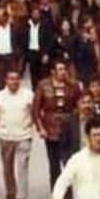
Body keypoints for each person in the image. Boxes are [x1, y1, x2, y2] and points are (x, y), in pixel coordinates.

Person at [34, 60, 82, 192]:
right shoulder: (43, 85)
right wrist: (41, 128)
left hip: (68, 127)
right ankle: (57, 192)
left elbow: (80, 104)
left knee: (68, 162)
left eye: (64, 69)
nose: (63, 72)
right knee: (54, 164)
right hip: (50, 128)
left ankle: (69, 193)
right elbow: (36, 110)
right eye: (60, 69)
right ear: (53, 71)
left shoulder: (73, 86)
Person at [0, 70, 35, 199]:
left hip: (24, 135)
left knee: (23, 166)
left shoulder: (28, 95)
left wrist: (31, 125)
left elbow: (34, 112)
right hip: (5, 136)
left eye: (16, 79)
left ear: (20, 80)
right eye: (11, 79)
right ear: (6, 80)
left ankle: (22, 197)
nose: (14, 82)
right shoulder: (0, 96)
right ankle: (11, 191)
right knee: (7, 167)